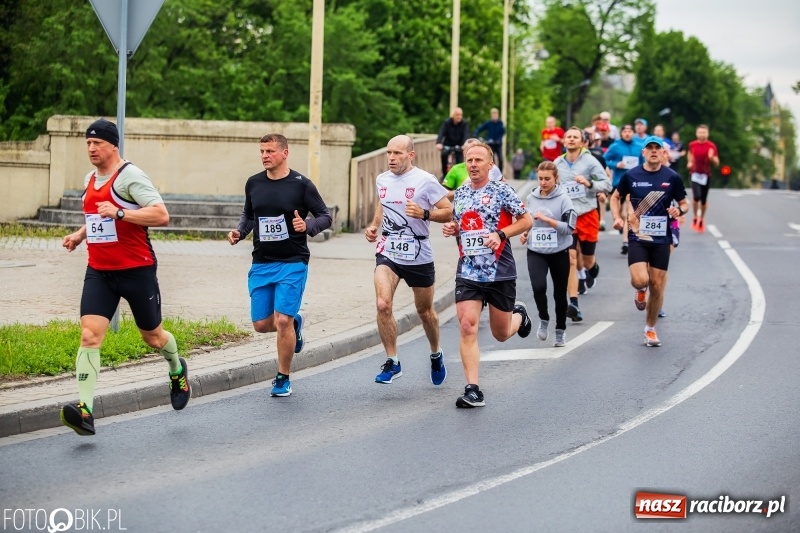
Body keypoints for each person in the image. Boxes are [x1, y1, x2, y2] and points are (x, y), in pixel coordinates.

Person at [60, 119, 189, 436]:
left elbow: (161, 214)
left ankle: (177, 369)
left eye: (97, 143)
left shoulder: (130, 176)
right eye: (88, 143)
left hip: (137, 270)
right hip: (100, 272)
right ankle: (86, 410)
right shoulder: (90, 178)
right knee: (90, 335)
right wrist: (80, 235)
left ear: (112, 145)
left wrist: (120, 213)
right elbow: (96, 218)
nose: (91, 149)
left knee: (153, 337)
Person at [227, 133, 332, 397]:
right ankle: (296, 323)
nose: (264, 156)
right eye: (262, 151)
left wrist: (307, 226)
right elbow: (249, 216)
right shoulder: (253, 183)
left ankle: (283, 377)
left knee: (281, 320)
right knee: (262, 324)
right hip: (262, 262)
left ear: (285, 153)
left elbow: (325, 216)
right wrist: (240, 232)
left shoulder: (301, 185)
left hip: (292, 261)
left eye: (270, 151)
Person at [442, 142, 533, 408]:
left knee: (501, 333)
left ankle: (520, 316)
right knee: (467, 325)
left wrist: (501, 234)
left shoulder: (501, 190)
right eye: (469, 160)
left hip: (499, 272)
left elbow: (526, 221)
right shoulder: (459, 193)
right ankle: (473, 389)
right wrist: (454, 229)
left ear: (490, 164)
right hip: (469, 271)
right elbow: (465, 223)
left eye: (478, 160)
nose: (473, 164)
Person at [364, 135, 453, 385]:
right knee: (383, 304)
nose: (391, 158)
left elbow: (448, 211)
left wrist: (425, 213)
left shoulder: (426, 180)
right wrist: (373, 226)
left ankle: (436, 353)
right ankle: (393, 362)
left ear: (410, 155)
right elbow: (383, 204)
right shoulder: (382, 179)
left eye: (397, 154)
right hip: (389, 250)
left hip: (418, 252)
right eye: (389, 153)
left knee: (424, 311)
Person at [610, 136, 689, 347]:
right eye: (649, 148)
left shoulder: (672, 177)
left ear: (663, 153)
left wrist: (678, 210)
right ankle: (640, 289)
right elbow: (615, 197)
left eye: (657, 148)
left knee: (658, 285)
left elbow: (684, 203)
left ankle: (650, 329)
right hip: (638, 237)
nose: (653, 151)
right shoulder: (631, 175)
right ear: (643, 152)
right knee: (640, 280)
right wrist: (616, 217)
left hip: (661, 239)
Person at [554, 127, 611, 321]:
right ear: (564, 141)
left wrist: (589, 183)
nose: (571, 139)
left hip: (587, 214)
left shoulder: (590, 161)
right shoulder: (557, 163)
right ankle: (574, 304)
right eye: (568, 137)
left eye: (575, 137)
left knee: (586, 260)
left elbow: (607, 184)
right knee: (570, 258)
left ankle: (592, 268)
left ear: (582, 142)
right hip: (567, 217)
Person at [520, 162, 576, 347]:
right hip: (536, 250)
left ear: (556, 179)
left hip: (559, 251)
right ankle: (543, 318)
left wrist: (547, 220)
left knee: (560, 295)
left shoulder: (564, 199)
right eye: (540, 179)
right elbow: (528, 221)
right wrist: (525, 232)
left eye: (547, 179)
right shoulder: (532, 197)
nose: (543, 183)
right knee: (538, 287)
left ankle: (560, 330)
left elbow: (569, 228)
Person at [604, 124, 645, 255]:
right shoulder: (615, 146)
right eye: (625, 131)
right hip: (619, 182)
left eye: (629, 131)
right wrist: (616, 164)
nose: (627, 133)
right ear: (621, 133)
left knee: (630, 212)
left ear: (633, 133)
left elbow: (644, 162)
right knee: (621, 211)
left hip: (635, 183)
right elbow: (605, 159)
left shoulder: (639, 147)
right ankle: (622, 223)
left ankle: (626, 241)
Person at [686, 124, 719, 233]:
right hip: (694, 174)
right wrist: (690, 162)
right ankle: (695, 217)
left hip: (706, 175)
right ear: (697, 133)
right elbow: (690, 154)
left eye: (704, 132)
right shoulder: (692, 144)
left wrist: (711, 158)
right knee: (696, 197)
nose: (702, 134)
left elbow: (717, 162)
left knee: (703, 200)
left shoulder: (711, 146)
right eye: (700, 132)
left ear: (707, 134)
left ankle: (701, 219)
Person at [436, 107, 470, 178]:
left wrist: (465, 144)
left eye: (461, 115)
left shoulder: (464, 124)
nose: (459, 117)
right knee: (444, 156)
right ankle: (444, 175)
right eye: (457, 115)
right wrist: (439, 143)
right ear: (453, 115)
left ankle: (459, 176)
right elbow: (441, 133)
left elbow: (466, 134)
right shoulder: (447, 123)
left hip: (459, 145)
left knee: (460, 161)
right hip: (448, 144)